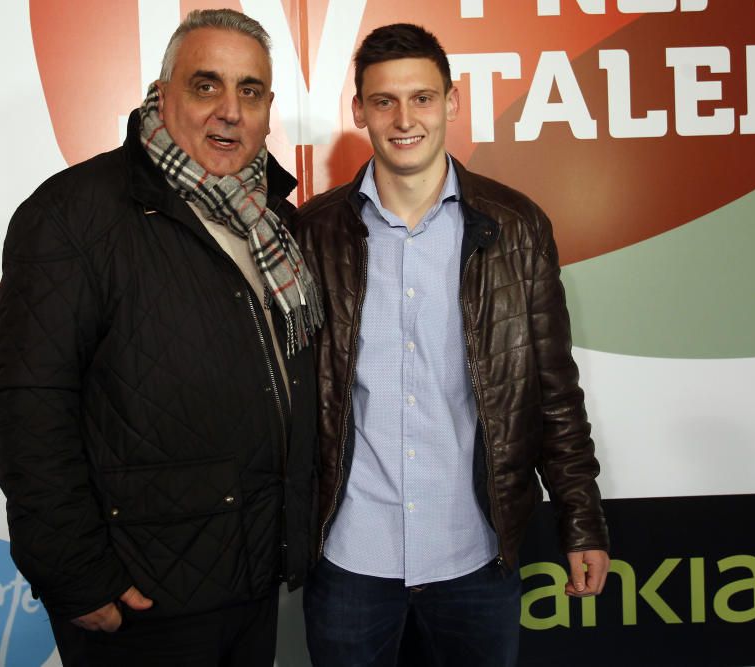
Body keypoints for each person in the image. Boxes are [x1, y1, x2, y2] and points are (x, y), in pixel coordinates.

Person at [0, 9, 323, 666]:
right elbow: (30, 405)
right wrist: (75, 573)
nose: (230, 110)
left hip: (250, 580)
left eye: (250, 91)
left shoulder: (275, 222)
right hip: (140, 597)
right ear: (162, 95)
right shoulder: (73, 215)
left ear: (268, 108)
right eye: (206, 85)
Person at [292, 23, 610, 667]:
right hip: (349, 558)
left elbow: (553, 388)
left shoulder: (517, 228)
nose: (404, 118)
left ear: (452, 102)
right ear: (359, 111)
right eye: (383, 101)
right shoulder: (312, 234)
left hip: (475, 557)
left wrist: (581, 518)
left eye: (422, 98)